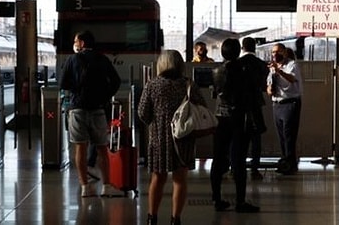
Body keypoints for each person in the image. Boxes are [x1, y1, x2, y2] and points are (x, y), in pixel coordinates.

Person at [138, 49, 207, 225]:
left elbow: (143, 114)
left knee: (157, 179)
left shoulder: (152, 85)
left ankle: (151, 217)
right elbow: (201, 107)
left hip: (159, 138)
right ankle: (176, 219)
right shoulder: (188, 84)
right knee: (180, 179)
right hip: (183, 138)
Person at [59, 30, 123, 198]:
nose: (74, 44)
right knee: (102, 148)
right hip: (98, 109)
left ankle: (85, 187)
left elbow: (63, 83)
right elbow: (116, 81)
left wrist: (77, 91)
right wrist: (104, 96)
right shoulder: (102, 59)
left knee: (80, 147)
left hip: (77, 108)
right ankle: (106, 186)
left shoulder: (72, 60)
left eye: (76, 41)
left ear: (82, 43)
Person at [210, 38, 260, 213]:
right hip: (239, 118)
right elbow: (251, 92)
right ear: (238, 52)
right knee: (239, 160)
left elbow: (217, 93)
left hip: (220, 118)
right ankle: (240, 201)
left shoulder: (216, 71)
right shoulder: (243, 70)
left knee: (218, 159)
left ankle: (217, 199)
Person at [267, 43, 303, 175]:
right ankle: (285, 161)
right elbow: (269, 85)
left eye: (278, 52)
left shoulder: (292, 65)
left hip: (290, 103)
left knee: (289, 135)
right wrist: (269, 90)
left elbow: (292, 79)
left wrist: (279, 71)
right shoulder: (272, 68)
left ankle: (291, 163)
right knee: (282, 136)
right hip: (277, 104)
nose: (275, 54)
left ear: (285, 53)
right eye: (273, 52)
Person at [239, 37, 269, 181]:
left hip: (239, 106)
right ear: (254, 47)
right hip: (255, 104)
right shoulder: (261, 64)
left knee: (238, 138)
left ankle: (236, 168)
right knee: (256, 138)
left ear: (242, 47)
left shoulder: (236, 64)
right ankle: (255, 169)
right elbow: (264, 85)